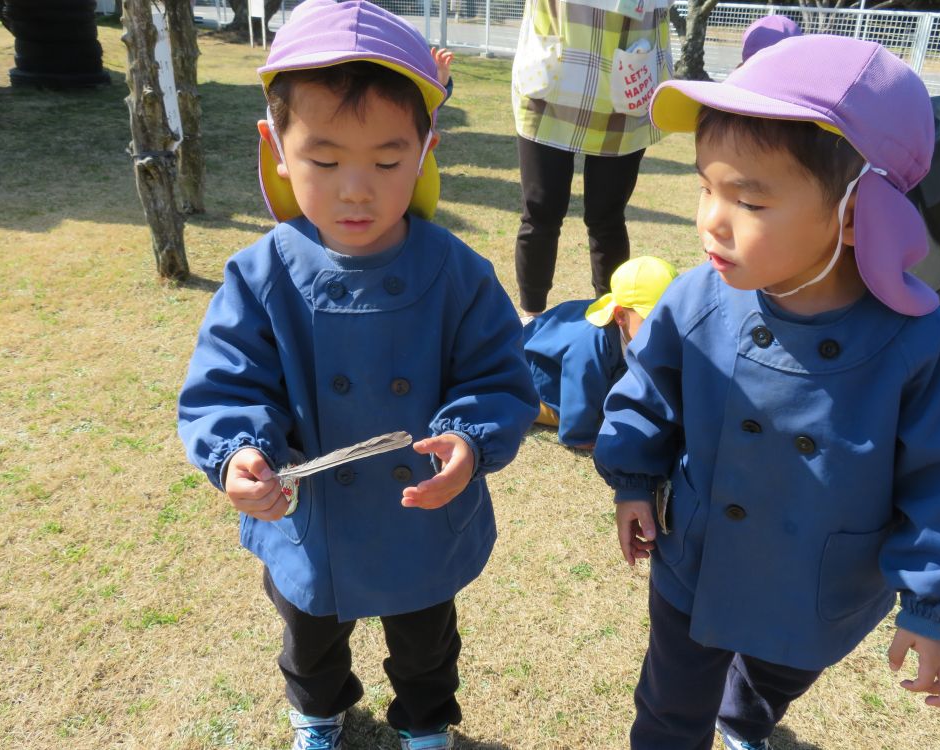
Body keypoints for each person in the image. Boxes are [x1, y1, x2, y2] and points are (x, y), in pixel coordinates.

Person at [594, 35, 940, 750]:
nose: (710, 221)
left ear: (854, 213)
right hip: (696, 563)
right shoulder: (698, 299)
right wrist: (632, 476)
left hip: (824, 585)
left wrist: (932, 606)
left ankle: (746, 716)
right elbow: (649, 389)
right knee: (667, 707)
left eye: (747, 199)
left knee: (776, 673)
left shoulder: (919, 344)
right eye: (705, 187)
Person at [177, 3, 538, 749]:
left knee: (426, 642)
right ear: (275, 146)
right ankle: (318, 710)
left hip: (422, 511)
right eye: (325, 158)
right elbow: (229, 384)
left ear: (426, 148)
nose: (356, 190)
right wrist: (238, 452)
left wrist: (470, 439)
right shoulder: (259, 274)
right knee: (308, 634)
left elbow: (499, 376)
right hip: (308, 515)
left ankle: (428, 721)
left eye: (386, 160)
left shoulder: (457, 274)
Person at [511, 0, 674, 320]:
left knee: (607, 218)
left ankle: (615, 324)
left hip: (626, 80)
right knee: (540, 211)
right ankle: (530, 321)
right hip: (550, 78)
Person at [524, 255, 678, 448]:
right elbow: (579, 383)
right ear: (620, 315)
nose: (662, 332)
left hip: (580, 375)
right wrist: (579, 435)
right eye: (652, 323)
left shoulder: (631, 330)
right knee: (541, 405)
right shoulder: (591, 343)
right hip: (542, 381)